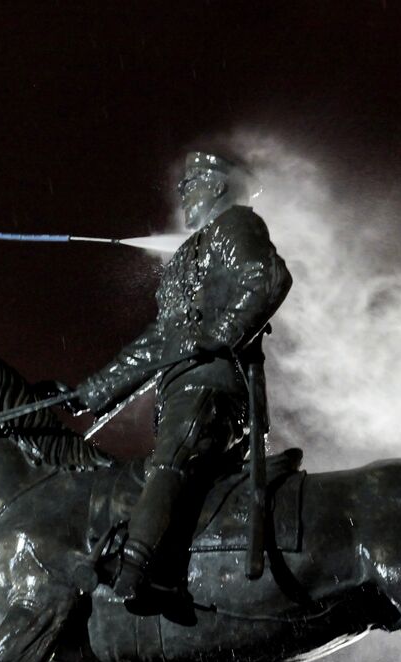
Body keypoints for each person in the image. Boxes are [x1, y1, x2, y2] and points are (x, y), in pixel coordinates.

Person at [71, 151, 292, 600]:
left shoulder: (235, 224)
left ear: (217, 186)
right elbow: (157, 343)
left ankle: (138, 570)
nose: (183, 192)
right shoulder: (183, 261)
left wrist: (219, 334)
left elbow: (267, 277)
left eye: (192, 182)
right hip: (182, 389)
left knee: (171, 462)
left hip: (214, 384)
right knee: (163, 465)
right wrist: (91, 392)